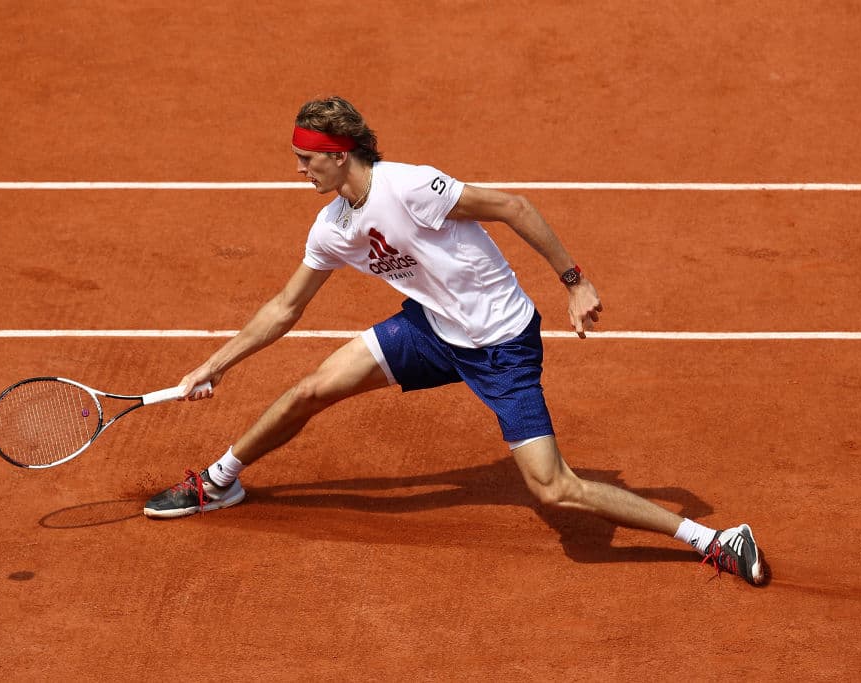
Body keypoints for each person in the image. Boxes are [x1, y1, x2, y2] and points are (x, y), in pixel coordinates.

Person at [144, 96, 766, 587]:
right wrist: (214, 365)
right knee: (312, 390)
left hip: (502, 345)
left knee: (553, 488)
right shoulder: (333, 226)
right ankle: (218, 481)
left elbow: (513, 206)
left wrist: (574, 282)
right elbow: (285, 307)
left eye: (307, 159)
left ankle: (714, 539)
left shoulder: (409, 186)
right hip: (431, 331)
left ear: (340, 154)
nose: (298, 168)